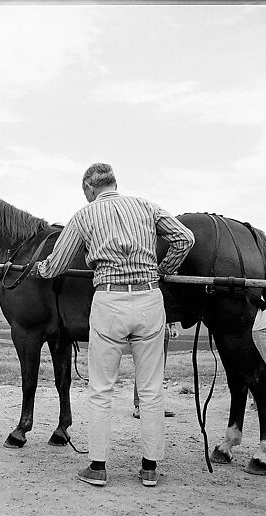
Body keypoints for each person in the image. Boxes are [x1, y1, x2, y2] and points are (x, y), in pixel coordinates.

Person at [32, 163, 194, 487]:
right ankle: (149, 468)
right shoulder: (146, 206)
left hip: (109, 301)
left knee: (101, 388)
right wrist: (163, 270)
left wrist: (40, 268)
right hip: (150, 299)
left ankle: (98, 467)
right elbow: (184, 238)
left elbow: (57, 264)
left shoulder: (85, 215)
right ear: (115, 183)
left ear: (89, 189)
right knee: (150, 389)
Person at [133, 322, 178, 419]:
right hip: (146, 327)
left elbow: (167, 307)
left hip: (163, 327)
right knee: (143, 367)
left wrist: (172, 326)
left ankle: (156, 406)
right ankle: (139, 406)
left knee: (159, 369)